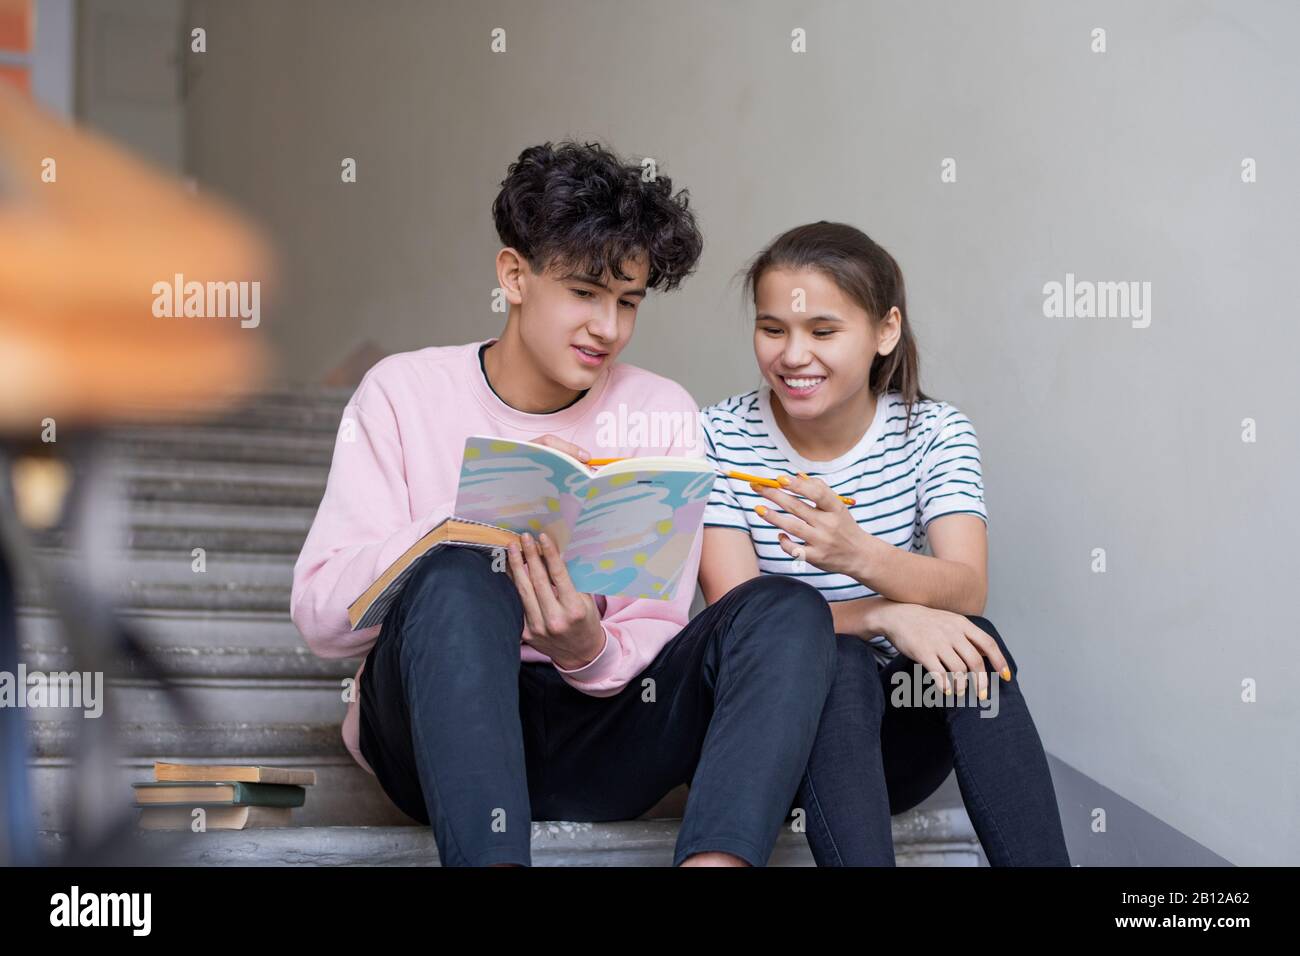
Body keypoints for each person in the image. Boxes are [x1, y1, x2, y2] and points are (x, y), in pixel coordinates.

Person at [290, 142, 837, 867]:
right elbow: (323, 617)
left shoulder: (660, 411)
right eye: (584, 292)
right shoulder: (402, 393)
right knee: (464, 573)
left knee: (786, 608)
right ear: (514, 276)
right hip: (435, 735)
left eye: (628, 302)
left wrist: (589, 650)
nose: (607, 328)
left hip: (603, 734)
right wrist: (458, 526)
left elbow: (658, 619)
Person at [697, 221, 1071, 865]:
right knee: (837, 663)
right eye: (772, 328)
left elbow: (966, 586)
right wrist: (881, 615)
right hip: (767, 740)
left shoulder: (934, 432)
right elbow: (737, 618)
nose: (792, 355)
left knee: (978, 645)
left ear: (885, 330)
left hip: (889, 748)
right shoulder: (717, 436)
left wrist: (858, 555)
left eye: (823, 331)